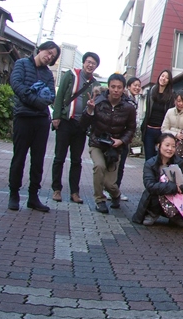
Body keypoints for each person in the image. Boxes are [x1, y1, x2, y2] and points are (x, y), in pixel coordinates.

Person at [8, 41, 61, 212]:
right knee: (19, 157)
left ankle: (33, 196)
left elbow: (52, 95)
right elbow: (16, 84)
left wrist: (42, 102)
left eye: (53, 56)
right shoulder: (21, 64)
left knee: (38, 160)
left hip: (41, 120)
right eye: (48, 52)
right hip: (23, 117)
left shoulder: (48, 74)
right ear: (41, 49)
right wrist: (36, 101)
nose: (49, 57)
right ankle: (14, 194)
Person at [80, 73, 136, 214]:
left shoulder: (129, 108)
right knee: (99, 167)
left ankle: (115, 195)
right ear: (108, 87)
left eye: (119, 87)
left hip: (114, 147)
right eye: (113, 87)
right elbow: (83, 124)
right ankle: (100, 200)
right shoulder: (98, 102)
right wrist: (89, 110)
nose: (116, 90)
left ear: (123, 89)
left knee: (109, 184)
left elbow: (131, 129)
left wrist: (121, 141)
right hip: (97, 143)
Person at [50, 51, 100, 204]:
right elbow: (59, 97)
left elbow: (96, 105)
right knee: (59, 157)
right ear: (84, 62)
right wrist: (56, 117)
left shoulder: (95, 84)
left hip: (81, 125)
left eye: (94, 63)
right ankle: (57, 189)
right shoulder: (71, 75)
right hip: (66, 121)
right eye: (89, 62)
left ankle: (74, 192)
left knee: (76, 160)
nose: (90, 65)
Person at [131, 133, 183, 227]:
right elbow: (150, 185)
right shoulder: (150, 164)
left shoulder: (180, 163)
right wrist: (173, 187)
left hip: (175, 199)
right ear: (159, 146)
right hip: (156, 198)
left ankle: (175, 216)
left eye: (173, 146)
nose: (170, 149)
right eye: (167, 145)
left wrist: (182, 187)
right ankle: (152, 213)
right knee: (155, 193)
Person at [116, 75, 143, 200]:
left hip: (126, 136)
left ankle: (115, 189)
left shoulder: (134, 100)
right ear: (128, 86)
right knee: (115, 164)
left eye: (139, 86)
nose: (137, 88)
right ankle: (110, 189)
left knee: (120, 165)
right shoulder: (124, 99)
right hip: (119, 135)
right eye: (135, 85)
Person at [140, 69, 174, 160]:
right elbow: (147, 112)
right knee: (149, 159)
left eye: (167, 78)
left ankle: (160, 175)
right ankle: (148, 174)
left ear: (169, 81)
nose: (164, 79)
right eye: (162, 76)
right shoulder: (151, 91)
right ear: (159, 77)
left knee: (161, 158)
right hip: (149, 130)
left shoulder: (171, 95)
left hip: (161, 131)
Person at [161, 92, 183, 159]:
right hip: (169, 142)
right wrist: (176, 134)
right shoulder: (169, 111)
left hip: (182, 145)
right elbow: (164, 129)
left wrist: (171, 129)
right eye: (178, 101)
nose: (180, 104)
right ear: (174, 101)